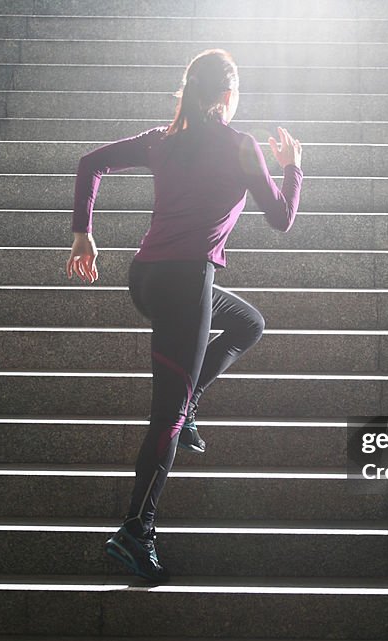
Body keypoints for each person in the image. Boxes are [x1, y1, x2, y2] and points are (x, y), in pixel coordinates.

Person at [66, 49, 304, 582]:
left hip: (147, 279)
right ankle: (135, 531)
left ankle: (191, 397)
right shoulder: (240, 146)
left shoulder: (163, 138)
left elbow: (90, 163)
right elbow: (282, 219)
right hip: (186, 283)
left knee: (247, 323)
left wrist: (84, 231)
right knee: (166, 418)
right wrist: (293, 169)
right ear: (226, 95)